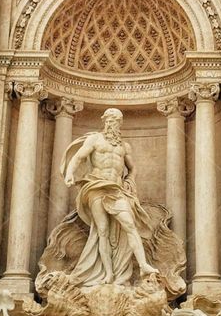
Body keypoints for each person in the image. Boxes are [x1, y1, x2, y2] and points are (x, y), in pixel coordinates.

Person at [62, 108, 159, 286]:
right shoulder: (94, 139)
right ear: (103, 121)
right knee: (103, 231)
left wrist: (130, 179)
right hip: (96, 187)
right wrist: (70, 173)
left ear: (120, 123)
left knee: (130, 225)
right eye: (108, 119)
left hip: (116, 189)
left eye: (114, 120)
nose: (110, 123)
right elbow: (78, 157)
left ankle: (144, 265)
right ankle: (108, 274)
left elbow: (132, 168)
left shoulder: (124, 146)